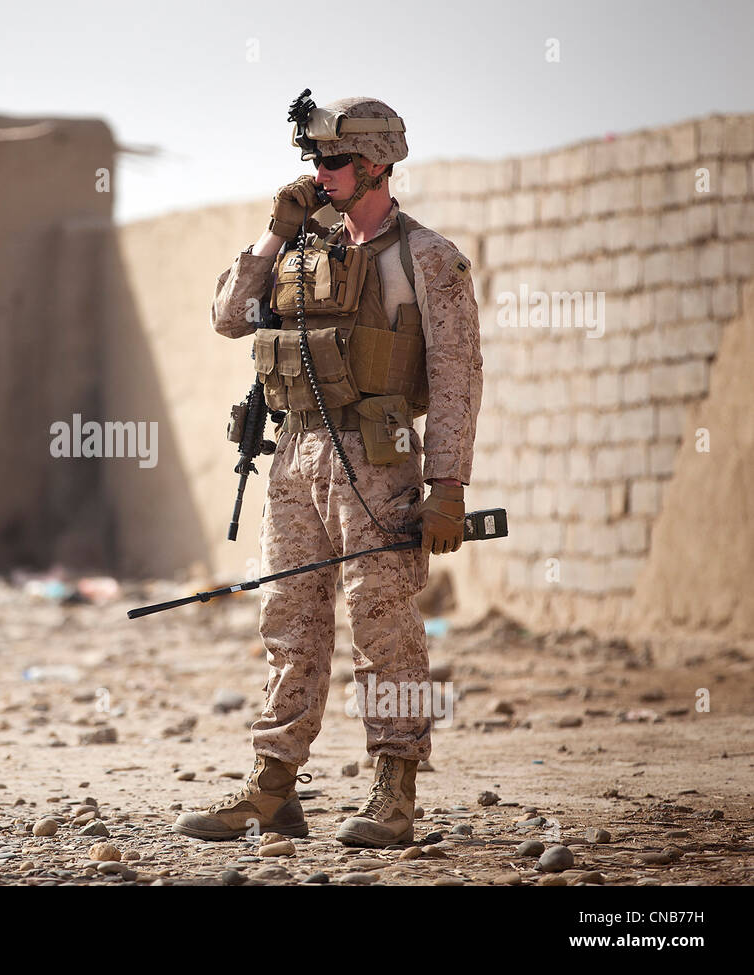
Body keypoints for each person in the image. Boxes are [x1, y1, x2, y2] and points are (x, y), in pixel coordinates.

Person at [175, 96, 482, 847]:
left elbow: (456, 376)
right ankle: (273, 784)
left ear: (377, 162)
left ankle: (396, 784)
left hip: (377, 460)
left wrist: (448, 486)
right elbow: (227, 314)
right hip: (296, 454)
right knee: (288, 620)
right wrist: (275, 230)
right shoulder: (297, 245)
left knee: (385, 624)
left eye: (334, 161)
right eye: (313, 160)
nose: (320, 172)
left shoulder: (428, 258)